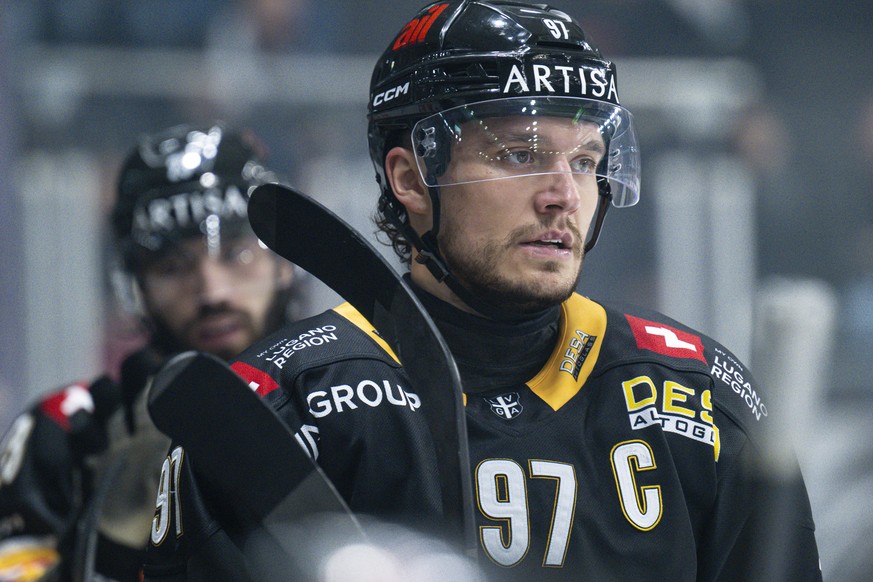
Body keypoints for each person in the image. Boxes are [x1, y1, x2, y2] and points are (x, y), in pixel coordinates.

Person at [144, 2, 822, 580]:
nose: (563, 196)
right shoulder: (284, 409)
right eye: (519, 155)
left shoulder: (701, 396)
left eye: (585, 160)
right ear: (410, 179)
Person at [0, 122, 299, 581]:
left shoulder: (353, 403)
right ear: (134, 285)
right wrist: (111, 534)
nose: (212, 292)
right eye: (173, 266)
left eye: (237, 254)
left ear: (283, 262)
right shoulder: (65, 433)